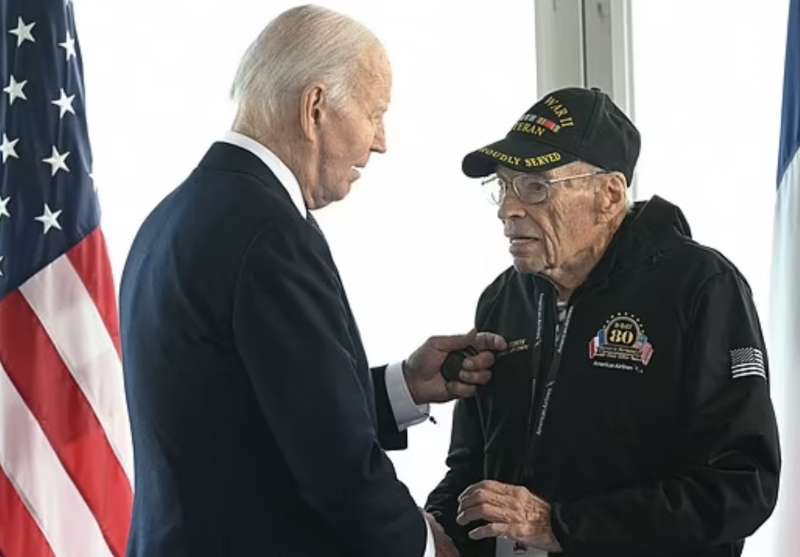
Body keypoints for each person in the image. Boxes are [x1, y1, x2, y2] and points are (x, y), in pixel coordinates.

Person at [119, 6, 506, 557]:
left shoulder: (176, 215)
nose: (381, 142)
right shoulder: (270, 231)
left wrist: (404, 386)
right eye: (375, 114)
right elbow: (330, 458)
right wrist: (424, 546)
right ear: (315, 108)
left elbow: (255, 416)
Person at [425, 87, 781, 557]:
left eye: (535, 187)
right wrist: (433, 528)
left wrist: (563, 526)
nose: (507, 208)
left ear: (609, 195)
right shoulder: (502, 298)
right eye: (504, 185)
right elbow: (474, 468)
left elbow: (741, 487)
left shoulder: (701, 287)